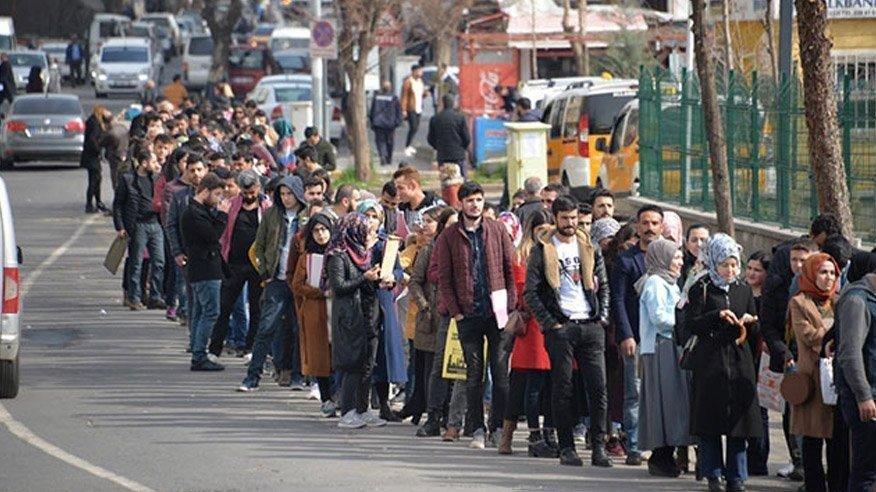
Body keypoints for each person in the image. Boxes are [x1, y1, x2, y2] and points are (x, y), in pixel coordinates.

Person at [523, 195, 612, 468]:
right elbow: (531, 292)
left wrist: (602, 316)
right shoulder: (543, 249)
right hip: (562, 326)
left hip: (590, 324)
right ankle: (566, 448)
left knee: (598, 388)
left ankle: (599, 447)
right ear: (555, 217)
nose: (571, 223)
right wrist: (552, 323)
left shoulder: (589, 246)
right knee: (562, 389)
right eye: (565, 218)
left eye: (574, 218)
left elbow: (604, 285)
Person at [433, 181, 516, 450]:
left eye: (479, 199)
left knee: (501, 375)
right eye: (469, 200)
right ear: (460, 203)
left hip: (498, 312)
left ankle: (498, 428)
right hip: (468, 314)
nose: (475, 204)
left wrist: (511, 305)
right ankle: (477, 428)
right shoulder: (449, 236)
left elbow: (509, 266)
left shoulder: (496, 228)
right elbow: (444, 278)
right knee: (473, 376)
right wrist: (456, 313)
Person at [685, 233, 761, 492]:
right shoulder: (701, 287)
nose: (730, 270)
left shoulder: (743, 290)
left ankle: (736, 477)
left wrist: (751, 322)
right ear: (713, 263)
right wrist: (716, 315)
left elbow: (755, 329)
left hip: (740, 362)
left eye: (733, 264)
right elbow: (690, 324)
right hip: (711, 363)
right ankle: (713, 474)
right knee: (710, 424)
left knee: (739, 424)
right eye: (724, 265)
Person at [238, 175, 306, 392]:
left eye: (290, 194)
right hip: (275, 279)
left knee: (298, 329)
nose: (286, 198)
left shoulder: (306, 216)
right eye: (283, 194)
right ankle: (252, 377)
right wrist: (265, 273)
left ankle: (297, 376)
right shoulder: (271, 214)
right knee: (266, 327)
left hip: (298, 281)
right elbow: (258, 246)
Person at [500, 208, 557, 458]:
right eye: (540, 230)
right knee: (528, 385)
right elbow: (523, 294)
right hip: (532, 329)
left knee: (549, 385)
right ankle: (531, 435)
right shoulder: (521, 257)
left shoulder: (551, 252)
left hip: (548, 325)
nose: (544, 234)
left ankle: (546, 433)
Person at [789, 253, 849, 492]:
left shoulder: (840, 300)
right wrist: (834, 331)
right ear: (812, 273)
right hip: (813, 379)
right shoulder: (799, 302)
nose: (828, 278)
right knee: (812, 441)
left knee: (837, 442)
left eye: (832, 273)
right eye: (823, 272)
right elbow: (808, 335)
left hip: (836, 377)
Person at [610, 204, 664, 465]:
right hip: (637, 337)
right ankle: (633, 444)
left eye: (655, 223)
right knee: (635, 393)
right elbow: (617, 300)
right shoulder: (626, 260)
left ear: (661, 226)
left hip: (664, 339)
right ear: (639, 225)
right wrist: (626, 335)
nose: (650, 228)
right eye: (645, 223)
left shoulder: (670, 257)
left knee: (663, 394)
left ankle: (661, 446)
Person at [635, 238, 691, 477]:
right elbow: (659, 318)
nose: (679, 261)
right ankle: (660, 456)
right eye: (675, 257)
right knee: (663, 403)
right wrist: (684, 322)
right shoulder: (655, 283)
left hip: (670, 346)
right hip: (661, 348)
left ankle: (667, 453)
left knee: (672, 403)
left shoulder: (670, 283)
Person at [327, 213, 386, 429]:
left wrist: (378, 278)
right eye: (364, 230)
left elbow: (367, 284)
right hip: (350, 317)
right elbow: (339, 286)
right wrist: (364, 277)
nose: (368, 235)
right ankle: (348, 410)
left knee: (367, 364)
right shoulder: (338, 256)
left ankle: (363, 408)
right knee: (352, 364)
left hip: (368, 314)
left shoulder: (364, 255)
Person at [209, 170, 270, 359]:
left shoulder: (266, 207)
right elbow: (222, 233)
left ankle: (251, 348)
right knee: (224, 306)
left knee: (256, 307)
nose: (249, 196)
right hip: (234, 264)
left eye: (252, 192)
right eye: (245, 192)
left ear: (258, 188)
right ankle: (214, 348)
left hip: (257, 266)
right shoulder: (232, 205)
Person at [395, 205, 447, 424]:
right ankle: (419, 406)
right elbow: (408, 273)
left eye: (428, 222)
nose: (423, 226)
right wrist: (425, 305)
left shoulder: (441, 247)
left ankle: (439, 409)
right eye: (422, 221)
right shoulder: (422, 248)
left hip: (443, 313)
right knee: (422, 365)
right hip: (424, 316)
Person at [834, 253, 876, 492]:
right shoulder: (857, 300)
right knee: (866, 471)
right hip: (866, 398)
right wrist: (864, 396)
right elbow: (850, 354)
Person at [180, 172, 229, 372]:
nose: (219, 200)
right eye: (217, 194)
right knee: (211, 311)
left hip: (204, 268)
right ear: (205, 191)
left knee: (202, 311)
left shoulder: (200, 210)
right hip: (204, 269)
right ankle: (199, 355)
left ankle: (198, 350)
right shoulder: (194, 213)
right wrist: (223, 215)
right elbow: (212, 237)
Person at [290, 212, 337, 418]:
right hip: (315, 310)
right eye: (316, 230)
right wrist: (319, 292)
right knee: (319, 356)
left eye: (324, 229)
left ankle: (339, 396)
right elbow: (297, 285)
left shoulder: (339, 253)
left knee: (337, 354)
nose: (321, 234)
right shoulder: (306, 257)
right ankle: (326, 398)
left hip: (336, 309)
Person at [113, 148, 165, 311]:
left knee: (159, 261)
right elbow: (118, 205)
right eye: (153, 161)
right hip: (138, 226)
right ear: (144, 163)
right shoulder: (128, 180)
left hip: (155, 224)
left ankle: (154, 297)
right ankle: (133, 297)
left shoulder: (156, 179)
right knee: (136, 263)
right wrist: (120, 226)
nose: (157, 165)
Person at [744, 250, 772, 477]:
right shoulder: (742, 292)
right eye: (749, 268)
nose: (752, 273)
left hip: (761, 358)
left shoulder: (769, 298)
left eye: (757, 270)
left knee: (760, 410)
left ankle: (758, 460)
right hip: (742, 357)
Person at [427, 94, 471, 178]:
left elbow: (430, 139)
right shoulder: (460, 117)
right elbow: (467, 138)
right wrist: (462, 148)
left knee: (446, 180)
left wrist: (438, 147)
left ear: (443, 103)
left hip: (443, 154)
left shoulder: (435, 118)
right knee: (462, 179)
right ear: (453, 103)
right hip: (458, 154)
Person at [393, 166, 444, 236]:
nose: (398, 193)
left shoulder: (437, 205)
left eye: (401, 188)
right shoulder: (400, 209)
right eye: (397, 189)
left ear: (413, 185)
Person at [81, 106, 112, 214]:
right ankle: (90, 204)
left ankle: (98, 202)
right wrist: (99, 150)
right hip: (91, 156)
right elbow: (93, 139)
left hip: (90, 156)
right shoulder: (95, 123)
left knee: (97, 179)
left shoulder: (93, 121)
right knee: (94, 180)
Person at [369, 80, 402, 167]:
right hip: (390, 124)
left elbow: (372, 111)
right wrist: (398, 121)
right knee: (390, 141)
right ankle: (389, 158)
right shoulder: (394, 97)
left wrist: (372, 122)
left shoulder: (376, 97)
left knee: (380, 141)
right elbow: (398, 110)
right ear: (390, 88)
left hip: (378, 123)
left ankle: (383, 155)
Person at [401, 64, 428, 156]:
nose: (421, 73)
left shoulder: (420, 82)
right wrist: (403, 110)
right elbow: (404, 96)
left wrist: (425, 93)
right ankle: (407, 146)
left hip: (419, 108)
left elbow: (422, 93)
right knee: (413, 127)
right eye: (419, 71)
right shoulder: (408, 82)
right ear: (414, 71)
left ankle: (409, 145)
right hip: (411, 108)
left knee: (416, 128)